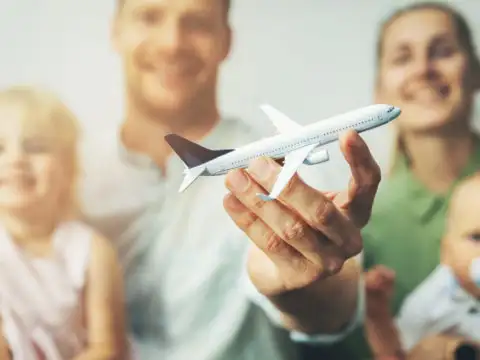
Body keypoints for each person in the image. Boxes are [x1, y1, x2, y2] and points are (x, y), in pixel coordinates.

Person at [79, 0, 383, 359]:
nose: (172, 42)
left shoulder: (284, 164)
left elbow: (336, 306)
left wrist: (295, 280)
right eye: (149, 17)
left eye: (197, 23)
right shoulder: (63, 172)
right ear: (116, 31)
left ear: (226, 41)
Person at [321, 2, 480, 359]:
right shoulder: (357, 224)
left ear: (476, 72)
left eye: (443, 51)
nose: (424, 69)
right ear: (379, 89)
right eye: (402, 57)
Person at [0, 86, 130, 359]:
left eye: (35, 147)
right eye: (0, 148)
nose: (15, 160)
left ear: (68, 167)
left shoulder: (90, 251)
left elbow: (106, 348)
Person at [365, 172, 480, 360]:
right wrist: (378, 316)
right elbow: (399, 350)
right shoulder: (432, 301)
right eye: (477, 237)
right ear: (446, 253)